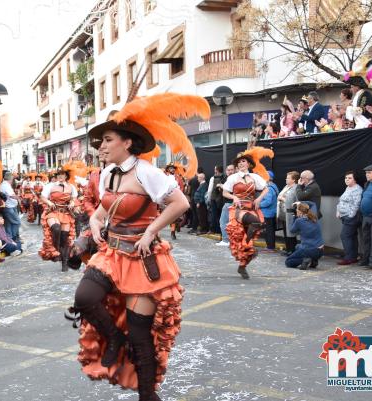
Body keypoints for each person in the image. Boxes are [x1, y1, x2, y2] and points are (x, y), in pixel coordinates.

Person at [66, 93, 206, 401]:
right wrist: (93, 224)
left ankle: (147, 395)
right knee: (84, 297)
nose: (100, 146)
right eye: (100, 142)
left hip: (142, 259)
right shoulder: (106, 174)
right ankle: (115, 339)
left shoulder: (147, 172)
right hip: (111, 254)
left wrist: (151, 232)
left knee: (141, 336)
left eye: (107, 140)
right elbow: (103, 210)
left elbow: (180, 203)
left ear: (127, 143)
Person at [222, 150, 269, 279]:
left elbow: (266, 188)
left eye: (243, 161)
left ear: (248, 164)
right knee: (255, 223)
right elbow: (224, 192)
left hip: (251, 207)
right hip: (238, 209)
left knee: (250, 238)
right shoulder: (233, 177)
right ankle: (246, 246)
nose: (241, 163)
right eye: (239, 162)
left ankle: (242, 266)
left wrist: (259, 199)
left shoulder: (255, 177)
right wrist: (234, 197)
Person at [38, 164, 78, 271]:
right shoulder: (50, 185)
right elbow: (43, 197)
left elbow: (74, 198)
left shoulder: (72, 187)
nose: (60, 176)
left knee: (65, 238)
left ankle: (64, 263)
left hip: (65, 213)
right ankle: (55, 250)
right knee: (56, 229)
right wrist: (49, 202)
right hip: (53, 212)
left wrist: (72, 203)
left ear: (66, 176)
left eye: (62, 174)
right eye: (58, 174)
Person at [285, 202, 324, 270]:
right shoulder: (314, 216)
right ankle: (313, 259)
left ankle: (306, 259)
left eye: (297, 210)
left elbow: (291, 230)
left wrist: (294, 217)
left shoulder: (299, 221)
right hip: (320, 250)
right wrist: (300, 203)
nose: (296, 211)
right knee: (297, 246)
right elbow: (313, 204)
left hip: (309, 250)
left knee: (288, 262)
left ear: (300, 212)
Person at [336, 171, 363, 265]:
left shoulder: (357, 190)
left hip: (351, 218)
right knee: (352, 236)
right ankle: (353, 257)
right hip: (345, 216)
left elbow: (356, 205)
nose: (347, 180)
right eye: (346, 178)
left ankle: (348, 258)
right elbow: (341, 200)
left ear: (355, 179)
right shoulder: (348, 188)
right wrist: (338, 211)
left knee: (345, 236)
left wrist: (350, 216)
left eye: (349, 178)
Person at [277, 171, 299, 255]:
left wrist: (282, 199)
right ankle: (288, 249)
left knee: (291, 232)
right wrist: (281, 198)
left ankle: (292, 250)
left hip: (290, 213)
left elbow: (294, 202)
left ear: (293, 180)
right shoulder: (286, 186)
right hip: (283, 212)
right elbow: (280, 196)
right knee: (285, 232)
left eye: (288, 178)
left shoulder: (296, 188)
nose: (286, 179)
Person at [0, 171, 21, 245]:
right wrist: (19, 198)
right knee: (17, 222)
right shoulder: (5, 185)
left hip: (8, 206)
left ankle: (10, 240)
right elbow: (11, 195)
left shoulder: (4, 184)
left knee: (9, 224)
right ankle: (13, 238)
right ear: (10, 178)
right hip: (9, 207)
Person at [216, 164, 235, 246]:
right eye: (228, 170)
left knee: (223, 221)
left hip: (230, 203)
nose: (230, 171)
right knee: (229, 222)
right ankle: (228, 240)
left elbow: (230, 190)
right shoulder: (228, 178)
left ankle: (225, 240)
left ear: (235, 170)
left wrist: (221, 185)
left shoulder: (234, 179)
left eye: (231, 170)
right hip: (228, 203)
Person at [260, 170, 279, 251]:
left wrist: (258, 204)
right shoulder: (274, 186)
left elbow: (268, 201)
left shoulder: (268, 188)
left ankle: (270, 247)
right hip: (272, 212)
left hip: (268, 213)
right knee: (270, 230)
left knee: (269, 231)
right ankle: (270, 246)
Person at [206, 166, 224, 234]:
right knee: (220, 214)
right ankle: (220, 230)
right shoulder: (224, 177)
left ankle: (213, 230)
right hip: (221, 199)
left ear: (216, 170)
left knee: (213, 214)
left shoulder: (213, 178)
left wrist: (208, 198)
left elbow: (210, 190)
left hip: (213, 198)